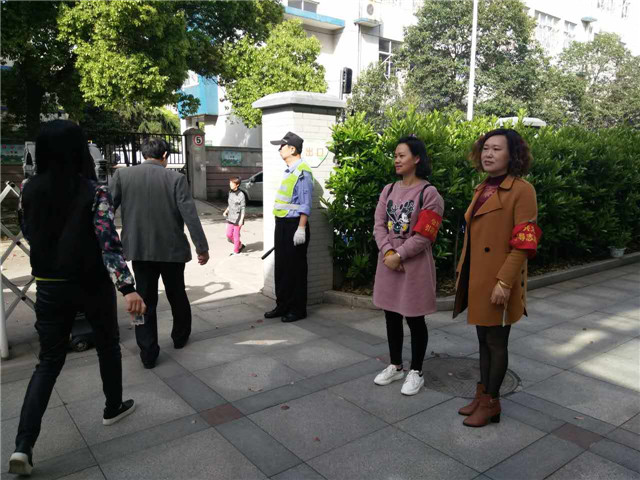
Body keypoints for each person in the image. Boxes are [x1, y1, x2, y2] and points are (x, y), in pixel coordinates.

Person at [9, 120, 146, 476]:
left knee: (49, 361)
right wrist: (127, 287)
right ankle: (113, 407)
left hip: (49, 285)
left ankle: (23, 446)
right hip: (91, 283)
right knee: (107, 345)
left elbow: (28, 231)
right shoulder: (95, 191)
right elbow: (107, 241)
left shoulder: (28, 189)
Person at [453, 128, 541, 427]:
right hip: (478, 276)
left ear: (512, 154)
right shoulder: (483, 187)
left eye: (496, 149)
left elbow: (524, 243)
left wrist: (504, 282)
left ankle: (492, 403)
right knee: (483, 339)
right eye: (486, 148)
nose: (488, 154)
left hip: (499, 279)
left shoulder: (522, 190)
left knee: (496, 342)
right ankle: (482, 395)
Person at [110, 137, 209, 369]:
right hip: (172, 251)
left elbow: (107, 211)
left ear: (143, 154)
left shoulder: (122, 176)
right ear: (165, 156)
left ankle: (147, 351)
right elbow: (190, 215)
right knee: (177, 294)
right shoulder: (176, 178)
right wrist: (201, 247)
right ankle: (180, 337)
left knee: (142, 300)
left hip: (139, 251)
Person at [372, 136, 444, 396]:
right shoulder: (389, 190)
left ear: (417, 158)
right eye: (395, 155)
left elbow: (425, 235)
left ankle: (416, 371)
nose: (397, 160)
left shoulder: (429, 193)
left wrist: (399, 255)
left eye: (402, 155)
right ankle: (395, 366)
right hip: (388, 262)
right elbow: (379, 225)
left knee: (415, 318)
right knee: (391, 315)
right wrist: (389, 252)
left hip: (414, 267)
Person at [264, 132, 313, 323]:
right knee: (282, 267)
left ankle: (297, 309)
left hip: (295, 225)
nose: (279, 149)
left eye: (281, 146)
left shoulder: (302, 172)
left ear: (292, 149)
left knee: (296, 270)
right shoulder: (289, 171)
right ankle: (282, 305)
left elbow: (305, 203)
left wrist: (301, 228)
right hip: (282, 224)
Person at [223, 176, 246, 255]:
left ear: (237, 185)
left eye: (232, 183)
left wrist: (241, 220)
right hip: (230, 217)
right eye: (230, 183)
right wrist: (226, 211)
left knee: (236, 235)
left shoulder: (241, 194)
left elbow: (243, 208)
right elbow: (230, 204)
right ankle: (239, 245)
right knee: (229, 234)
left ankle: (236, 251)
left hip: (238, 217)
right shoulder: (230, 192)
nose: (230, 184)